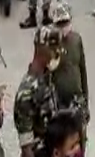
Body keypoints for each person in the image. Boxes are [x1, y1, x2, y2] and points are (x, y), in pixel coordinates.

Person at [14, 26, 61, 157]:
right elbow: (26, 148)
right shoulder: (26, 93)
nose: (56, 53)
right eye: (52, 49)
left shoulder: (46, 76)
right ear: (41, 49)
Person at [50, 2, 89, 153]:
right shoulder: (51, 44)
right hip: (58, 102)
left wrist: (86, 101)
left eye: (65, 23)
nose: (63, 28)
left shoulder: (77, 40)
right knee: (62, 143)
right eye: (60, 24)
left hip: (76, 99)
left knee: (80, 139)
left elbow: (82, 70)